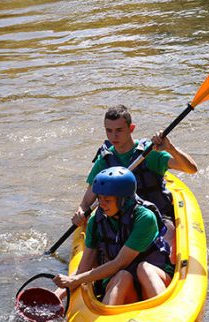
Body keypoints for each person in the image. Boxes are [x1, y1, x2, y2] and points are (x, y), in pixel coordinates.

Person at [72, 105, 198, 261]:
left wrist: (170, 148)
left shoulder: (149, 153)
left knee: (168, 249)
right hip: (119, 222)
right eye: (109, 131)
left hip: (156, 218)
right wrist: (80, 212)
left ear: (131, 128)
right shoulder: (104, 160)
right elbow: (86, 201)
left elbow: (191, 169)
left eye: (119, 130)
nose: (113, 136)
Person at [54, 167, 173, 305]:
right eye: (99, 198)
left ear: (123, 200)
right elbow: (83, 268)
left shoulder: (145, 218)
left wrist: (76, 280)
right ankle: (106, 321)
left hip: (154, 278)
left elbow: (120, 262)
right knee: (123, 276)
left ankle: (161, 311)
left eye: (107, 200)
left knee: (144, 269)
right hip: (122, 284)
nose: (101, 204)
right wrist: (57, 295)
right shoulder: (96, 221)